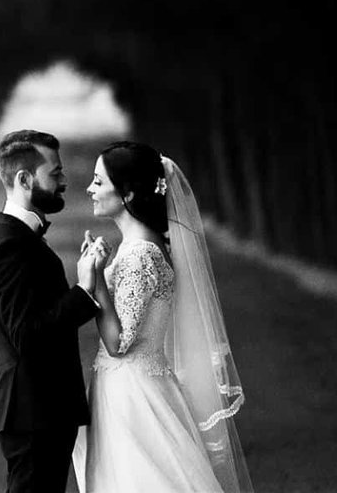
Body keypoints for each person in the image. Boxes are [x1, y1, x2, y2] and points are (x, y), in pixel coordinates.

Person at [73, 140, 252, 493]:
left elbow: (119, 343)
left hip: (132, 394)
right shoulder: (142, 246)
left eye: (98, 181)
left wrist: (95, 281)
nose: (90, 189)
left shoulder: (140, 254)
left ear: (127, 193)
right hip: (135, 385)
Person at [0, 129, 108, 493]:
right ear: (24, 179)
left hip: (42, 412)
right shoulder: (9, 245)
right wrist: (83, 290)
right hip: (33, 413)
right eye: (55, 173)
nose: (64, 181)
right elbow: (27, 335)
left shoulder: (18, 238)